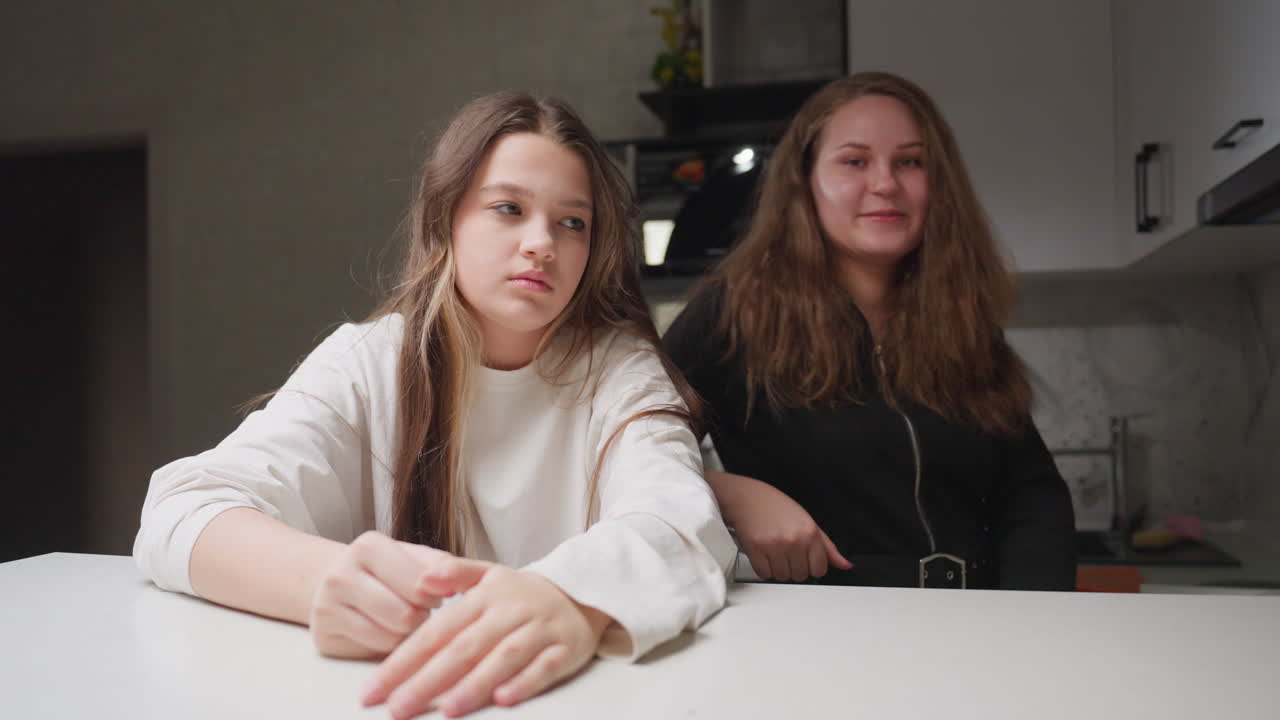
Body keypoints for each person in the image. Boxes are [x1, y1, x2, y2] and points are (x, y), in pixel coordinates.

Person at [134, 91, 735, 719]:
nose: (541, 243)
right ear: (444, 219)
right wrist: (321, 580)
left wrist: (571, 599)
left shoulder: (620, 369)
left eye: (572, 222)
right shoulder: (370, 360)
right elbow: (181, 508)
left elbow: (680, 519)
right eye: (509, 208)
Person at [662, 72, 1076, 591]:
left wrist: (1038, 620)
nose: (885, 183)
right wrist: (727, 493)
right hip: (832, 642)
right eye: (855, 161)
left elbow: (1031, 492)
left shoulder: (959, 319)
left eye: (910, 161)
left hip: (980, 633)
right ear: (805, 181)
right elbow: (624, 456)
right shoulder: (733, 313)